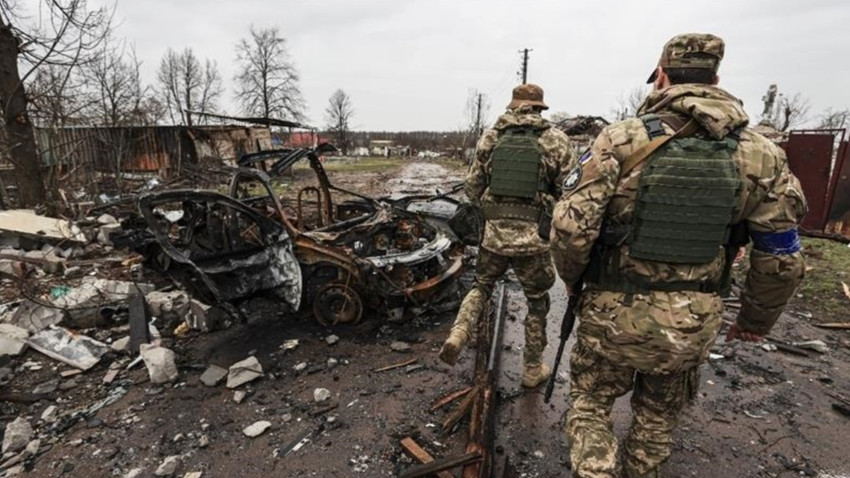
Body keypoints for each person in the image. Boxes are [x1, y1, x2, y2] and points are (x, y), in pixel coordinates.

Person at [550, 33, 806, 477]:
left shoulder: (620, 140)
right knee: (657, 419)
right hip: (692, 322)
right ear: (716, 78)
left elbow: (571, 227)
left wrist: (572, 277)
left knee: (590, 406)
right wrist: (754, 321)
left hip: (611, 315)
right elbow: (781, 255)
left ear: (662, 77)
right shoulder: (761, 154)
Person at [439, 83, 574, 388]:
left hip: (493, 238)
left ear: (512, 107)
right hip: (534, 242)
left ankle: (458, 333)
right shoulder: (555, 140)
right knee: (537, 301)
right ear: (540, 108)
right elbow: (569, 192)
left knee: (481, 286)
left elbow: (472, 189)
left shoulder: (490, 138)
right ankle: (531, 368)